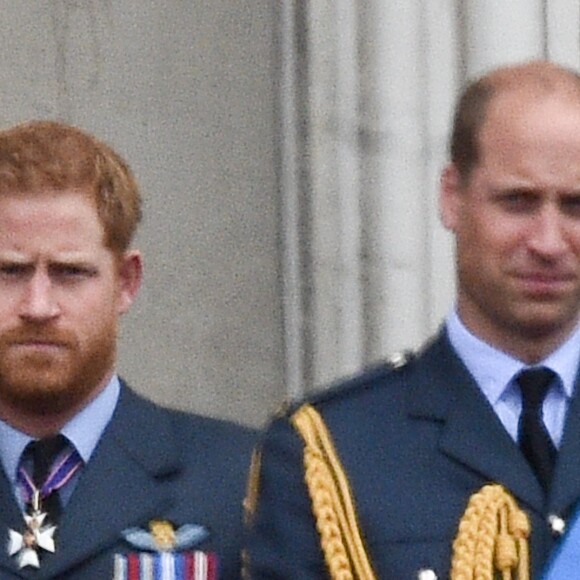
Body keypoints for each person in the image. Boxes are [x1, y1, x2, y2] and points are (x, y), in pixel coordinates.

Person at [245, 60, 580, 579]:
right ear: (452, 197)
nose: (548, 242)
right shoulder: (334, 450)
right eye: (518, 202)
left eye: (576, 206)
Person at [0, 120, 255, 579]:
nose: (37, 306)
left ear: (126, 282)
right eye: (10, 271)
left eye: (70, 273)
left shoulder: (243, 480)